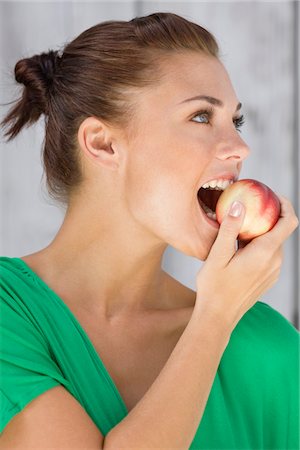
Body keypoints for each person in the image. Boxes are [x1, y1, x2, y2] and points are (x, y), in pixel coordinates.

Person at [0, 12, 299, 450]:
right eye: (201, 117)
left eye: (235, 121)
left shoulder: (271, 351)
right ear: (103, 143)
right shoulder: (10, 317)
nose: (240, 148)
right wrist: (213, 320)